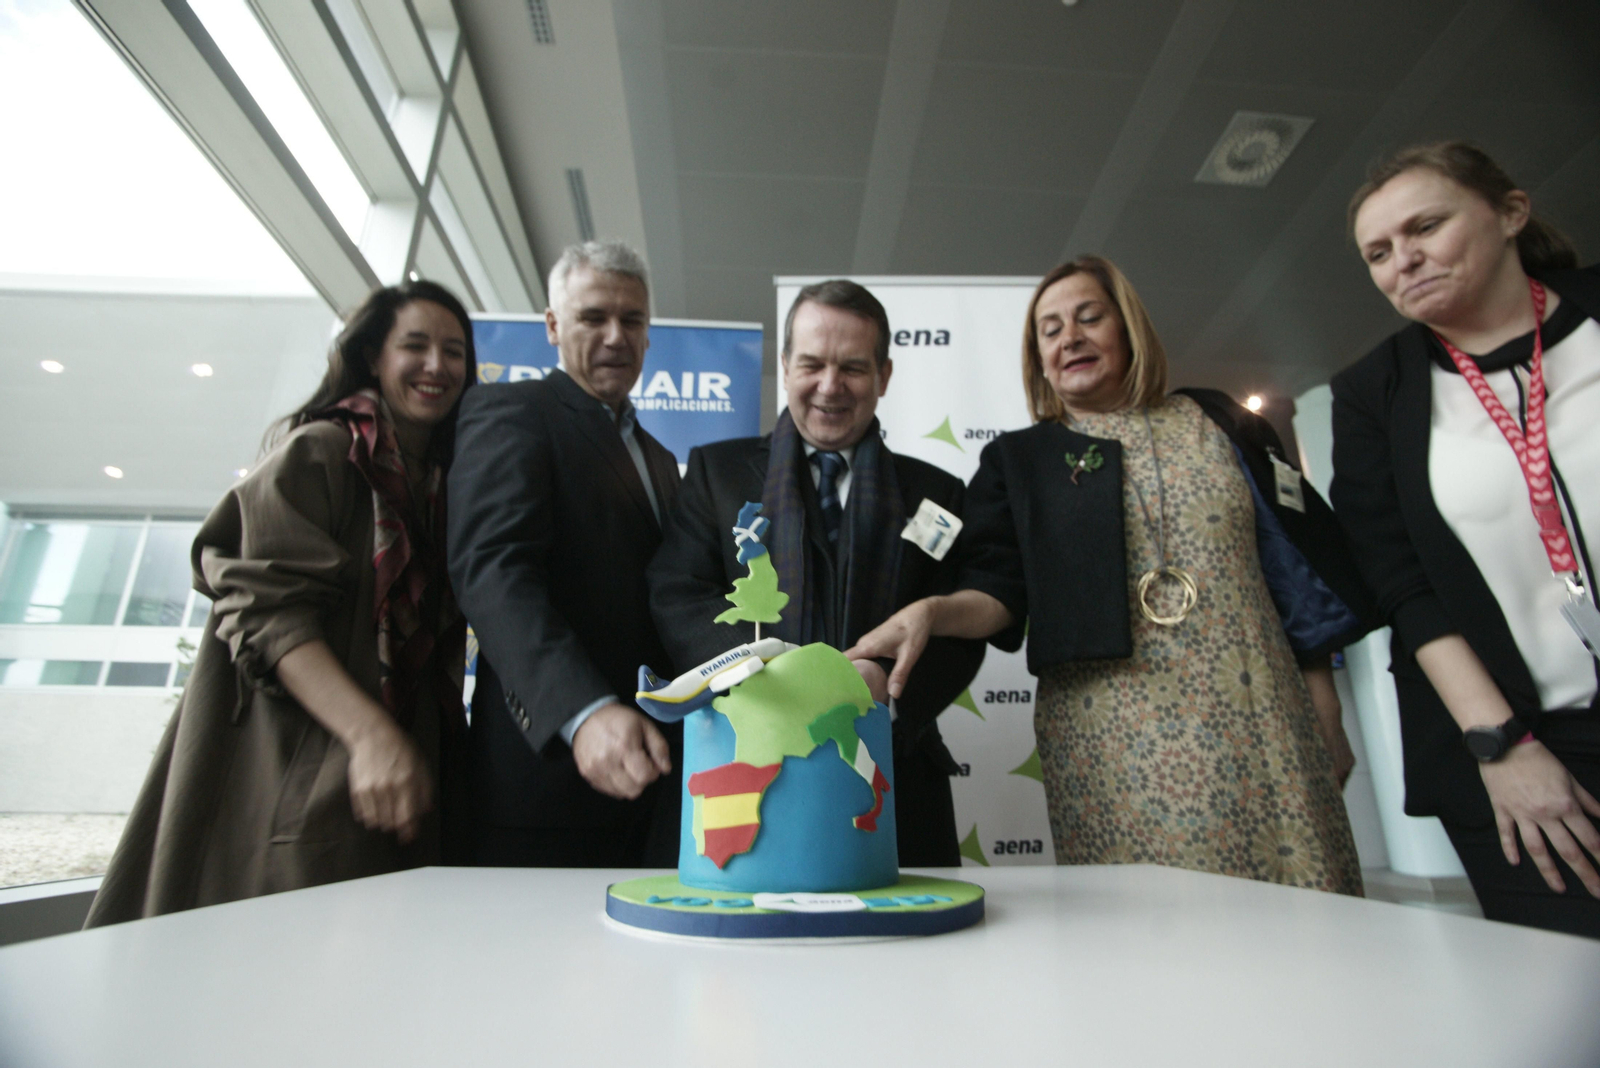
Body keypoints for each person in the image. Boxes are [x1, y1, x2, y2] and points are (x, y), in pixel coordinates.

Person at [848, 256, 1371, 894]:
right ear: (1037, 358)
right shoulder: (1019, 460)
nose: (1070, 337)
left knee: (1300, 913)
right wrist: (932, 611)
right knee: (1146, 932)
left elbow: (1295, 578)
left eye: (1089, 317)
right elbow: (997, 593)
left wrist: (1328, 709)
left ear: (1129, 328)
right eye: (1050, 329)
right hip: (1113, 741)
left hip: (1262, 717)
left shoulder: (1221, 422)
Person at [85, 280, 475, 926]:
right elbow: (263, 610)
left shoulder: (439, 488)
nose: (437, 365)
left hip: (388, 781)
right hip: (290, 765)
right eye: (416, 345)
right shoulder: (323, 450)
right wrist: (369, 734)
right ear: (373, 356)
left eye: (454, 351)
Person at [1332, 141, 1600, 937]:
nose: (1402, 261)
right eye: (1378, 253)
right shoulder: (1372, 392)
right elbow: (1400, 584)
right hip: (1526, 749)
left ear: (1510, 213)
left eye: (1425, 227)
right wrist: (1502, 746)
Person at [648, 280, 985, 865]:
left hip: (892, 773)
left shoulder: (939, 493)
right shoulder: (715, 472)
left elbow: (958, 626)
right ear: (784, 367)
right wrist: (778, 678)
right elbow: (677, 593)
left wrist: (890, 692)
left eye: (853, 367)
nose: (830, 387)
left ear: (884, 374)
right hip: (749, 761)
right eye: (812, 364)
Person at [448, 241, 683, 867]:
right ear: (552, 327)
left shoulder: (662, 461)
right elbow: (493, 572)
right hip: (545, 787)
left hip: (657, 791)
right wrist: (581, 713)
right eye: (592, 317)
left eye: (632, 320)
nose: (615, 336)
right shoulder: (510, 413)